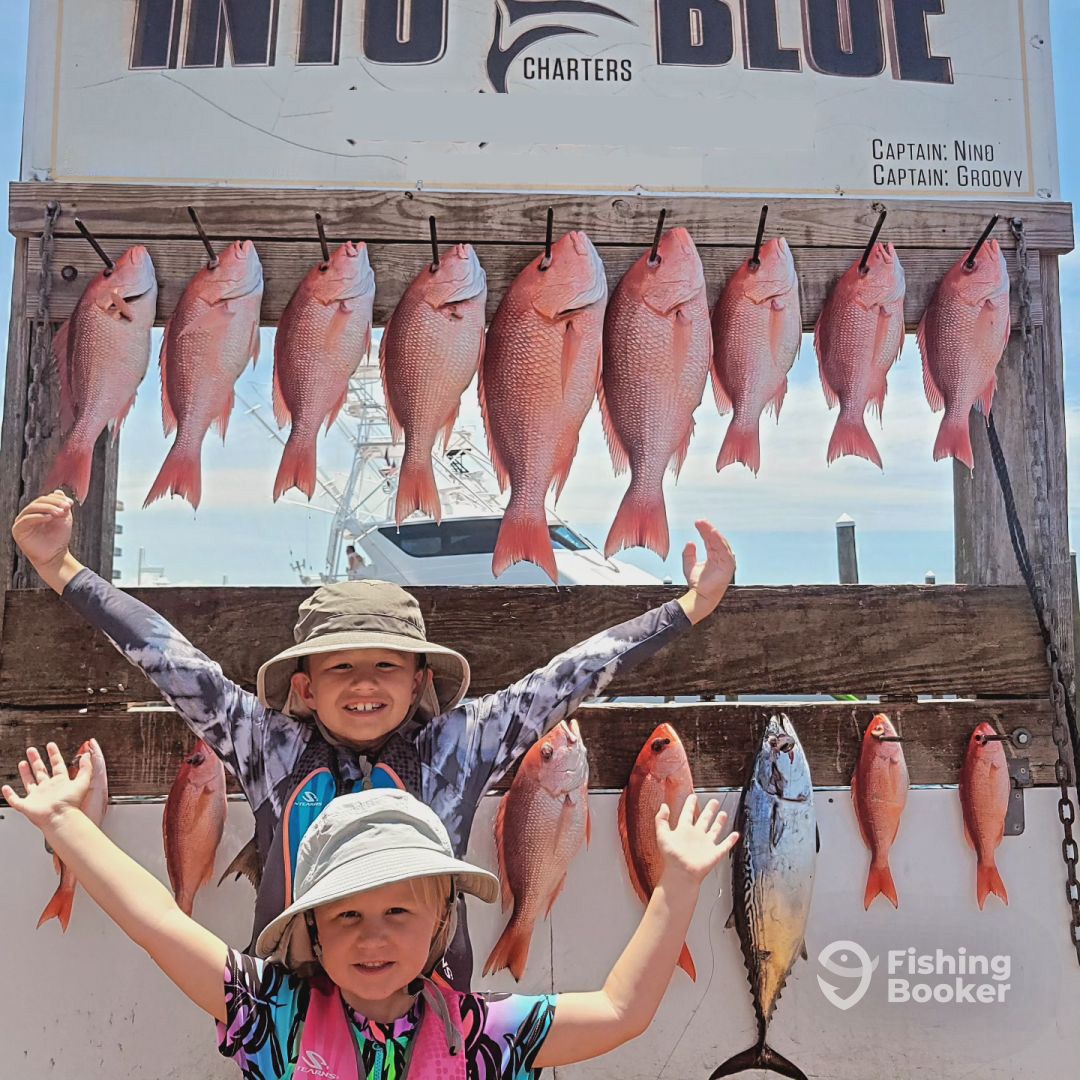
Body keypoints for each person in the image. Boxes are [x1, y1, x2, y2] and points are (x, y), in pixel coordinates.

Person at [12, 492, 736, 988]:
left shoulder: (460, 746)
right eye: (341, 667)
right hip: (289, 1023)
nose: (364, 683)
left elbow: (569, 676)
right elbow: (168, 658)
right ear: (304, 687)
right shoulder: (267, 747)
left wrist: (687, 609)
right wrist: (61, 569)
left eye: (386, 665)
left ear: (420, 680)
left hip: (437, 1026)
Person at [2, 748, 738, 1079]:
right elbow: (156, 922)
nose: (373, 936)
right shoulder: (272, 1014)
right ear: (312, 931)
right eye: (346, 916)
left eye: (396, 911)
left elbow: (619, 1012)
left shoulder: (483, 1033)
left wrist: (676, 885)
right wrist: (64, 824)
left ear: (441, 924)